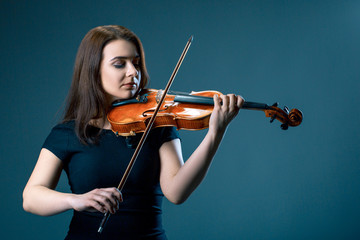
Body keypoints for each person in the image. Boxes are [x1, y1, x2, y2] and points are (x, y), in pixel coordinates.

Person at [22, 25, 244, 239]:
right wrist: (75, 200)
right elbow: (31, 197)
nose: (133, 72)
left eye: (136, 64)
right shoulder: (68, 133)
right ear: (93, 69)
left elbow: (177, 192)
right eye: (119, 64)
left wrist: (215, 133)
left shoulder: (156, 125)